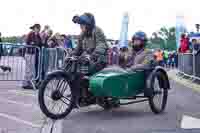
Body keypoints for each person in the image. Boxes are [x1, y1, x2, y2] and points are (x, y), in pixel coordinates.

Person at [23, 24, 42, 89]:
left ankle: (30, 83)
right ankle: (26, 83)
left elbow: (40, 43)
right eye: (38, 28)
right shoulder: (31, 34)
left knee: (31, 69)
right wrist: (33, 43)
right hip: (29, 53)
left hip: (33, 53)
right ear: (35, 28)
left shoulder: (37, 35)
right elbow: (29, 42)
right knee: (29, 69)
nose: (39, 29)